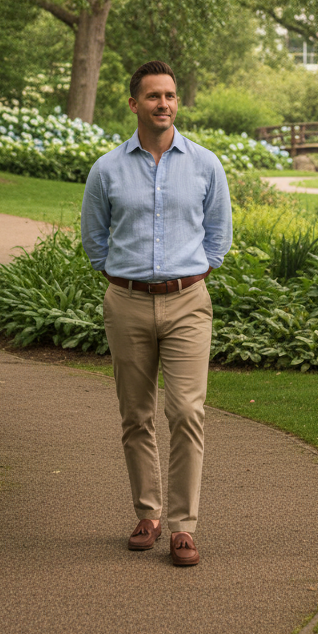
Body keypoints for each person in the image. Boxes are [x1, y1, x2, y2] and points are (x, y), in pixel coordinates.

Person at [81, 60, 232, 567]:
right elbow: (94, 241)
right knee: (136, 415)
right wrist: (123, 278)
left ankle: (183, 526)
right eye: (152, 97)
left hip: (189, 301)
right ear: (134, 104)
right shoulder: (107, 170)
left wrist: (186, 276)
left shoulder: (206, 164)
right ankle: (147, 513)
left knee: (187, 412)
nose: (163, 104)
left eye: (169, 95)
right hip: (126, 302)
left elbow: (218, 237)